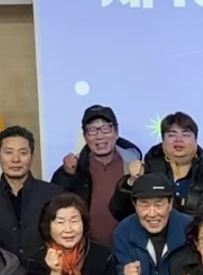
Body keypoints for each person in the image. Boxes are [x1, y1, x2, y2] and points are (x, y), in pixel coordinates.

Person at [52, 104, 144, 248]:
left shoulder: (135, 166)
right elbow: (56, 205)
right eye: (92, 131)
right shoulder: (74, 169)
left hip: (131, 249)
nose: (99, 136)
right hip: (87, 252)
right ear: (85, 136)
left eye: (106, 129)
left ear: (117, 132)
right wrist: (66, 174)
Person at [114, 111, 203, 219]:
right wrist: (130, 183)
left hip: (198, 241)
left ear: (196, 140)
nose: (178, 139)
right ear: (163, 141)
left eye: (185, 135)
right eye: (172, 135)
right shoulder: (146, 172)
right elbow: (119, 213)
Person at [0, 125, 60, 265]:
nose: (16, 159)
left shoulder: (53, 194)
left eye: (23, 152)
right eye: (8, 152)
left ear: (32, 156)